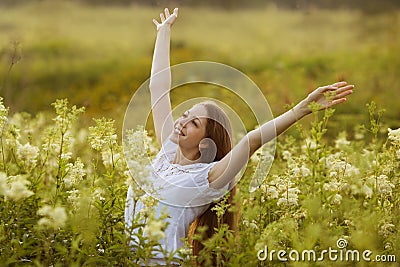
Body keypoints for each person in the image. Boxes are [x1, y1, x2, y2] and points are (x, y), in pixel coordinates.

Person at [125, 7, 354, 265]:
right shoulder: (166, 154)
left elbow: (251, 141)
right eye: (185, 114)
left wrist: (301, 109)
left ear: (205, 142)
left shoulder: (206, 178)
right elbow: (158, 89)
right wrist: (163, 33)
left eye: (194, 122)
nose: (182, 122)